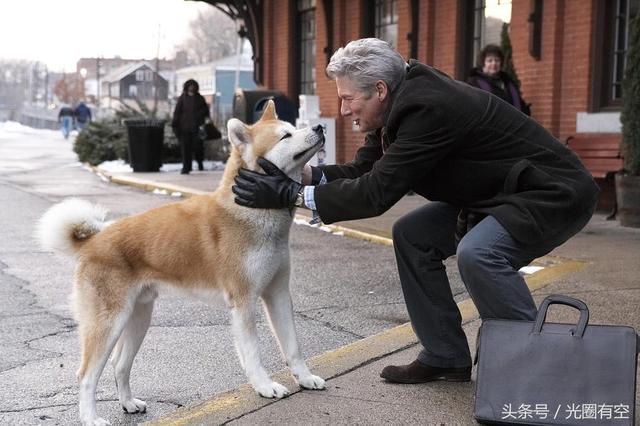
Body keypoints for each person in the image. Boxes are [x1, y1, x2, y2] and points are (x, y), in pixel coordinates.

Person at [232, 38, 598, 384]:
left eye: (347, 99)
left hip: (551, 192)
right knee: (412, 235)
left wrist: (290, 195)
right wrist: (302, 174)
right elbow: (366, 171)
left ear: (379, 90)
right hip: (499, 193)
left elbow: (376, 193)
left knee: (480, 254)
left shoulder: (428, 108)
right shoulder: (396, 103)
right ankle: (445, 355)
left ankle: (541, 365)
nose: (343, 111)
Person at [467, 44, 530, 115]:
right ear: (482, 63)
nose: (494, 63)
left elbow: (520, 104)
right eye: (489, 61)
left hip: (513, 123)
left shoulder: (508, 82)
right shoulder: (474, 84)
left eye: (497, 60)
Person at [171, 79, 210, 174]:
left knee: (198, 147)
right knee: (185, 149)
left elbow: (206, 112)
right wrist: (175, 124)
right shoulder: (182, 99)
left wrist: (199, 116)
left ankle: (200, 162)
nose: (191, 87)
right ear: (186, 87)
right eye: (189, 85)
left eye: (193, 85)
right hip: (184, 128)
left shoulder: (200, 98)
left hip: (197, 128)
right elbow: (177, 112)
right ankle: (186, 167)